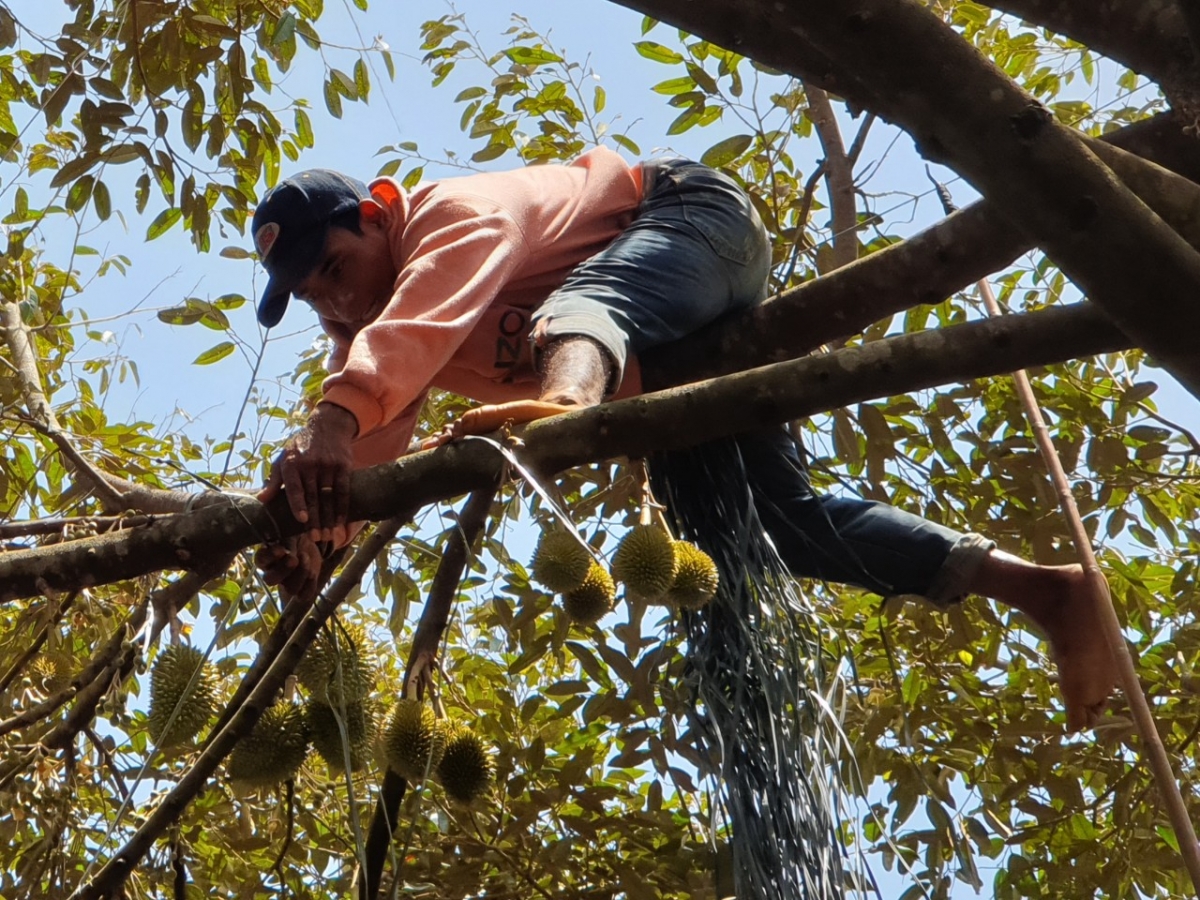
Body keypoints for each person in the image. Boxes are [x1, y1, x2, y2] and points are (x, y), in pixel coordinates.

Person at [249, 149, 1117, 731]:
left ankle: (566, 408)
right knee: (770, 527)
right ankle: (1043, 590)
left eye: (334, 269)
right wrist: (313, 537)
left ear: (377, 213)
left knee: (579, 312)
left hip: (691, 225)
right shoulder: (375, 345)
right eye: (312, 298)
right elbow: (367, 448)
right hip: (663, 367)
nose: (335, 304)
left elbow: (398, 349)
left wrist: (331, 421)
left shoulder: (451, 216)